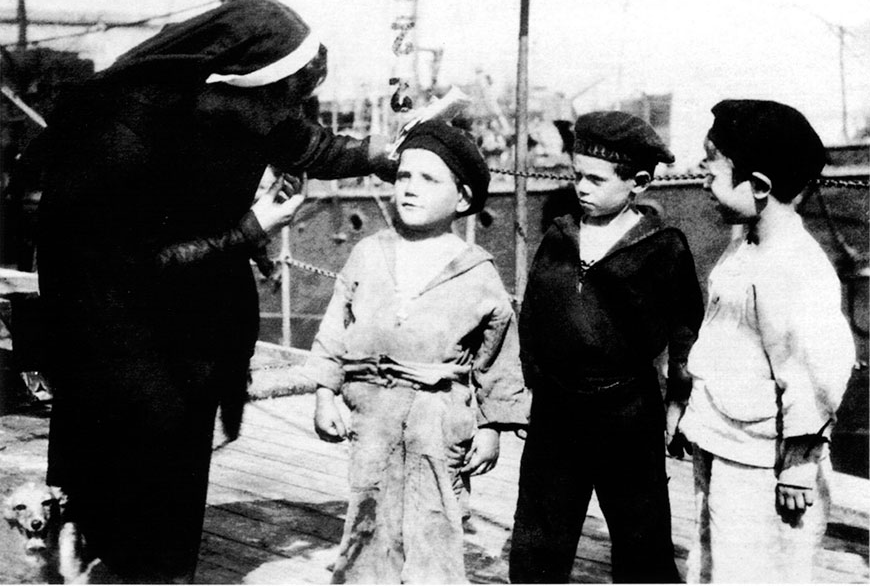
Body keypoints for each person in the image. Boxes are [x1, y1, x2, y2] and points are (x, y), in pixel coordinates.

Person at [33, 0, 395, 582]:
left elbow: (305, 141)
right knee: (129, 468)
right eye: (279, 100)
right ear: (240, 81)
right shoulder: (123, 127)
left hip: (191, 324)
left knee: (176, 470)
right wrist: (252, 229)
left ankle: (165, 571)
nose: (284, 117)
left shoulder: (238, 101)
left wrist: (379, 156)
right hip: (117, 330)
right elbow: (125, 269)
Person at [302, 120, 530, 583]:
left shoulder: (477, 271)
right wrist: (326, 393)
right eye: (404, 176)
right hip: (372, 413)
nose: (409, 188)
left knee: (434, 517)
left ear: (463, 199)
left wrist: (492, 428)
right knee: (368, 508)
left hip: (437, 417)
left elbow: (497, 357)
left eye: (429, 179)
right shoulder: (369, 253)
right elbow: (335, 326)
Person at [510, 111, 704, 583]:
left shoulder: (662, 247)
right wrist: (529, 389)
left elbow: (686, 333)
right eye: (577, 175)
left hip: (627, 411)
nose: (582, 187)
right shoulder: (560, 236)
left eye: (596, 179)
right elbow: (534, 315)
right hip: (557, 410)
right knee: (540, 537)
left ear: (637, 183)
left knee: (642, 540)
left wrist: (678, 403)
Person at [675, 100, 856, 583]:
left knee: (760, 571)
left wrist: (799, 463)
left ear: (758, 187)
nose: (700, 174)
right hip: (726, 444)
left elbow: (819, 373)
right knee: (715, 563)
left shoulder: (794, 268)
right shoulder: (745, 247)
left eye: (711, 164)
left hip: (767, 464)